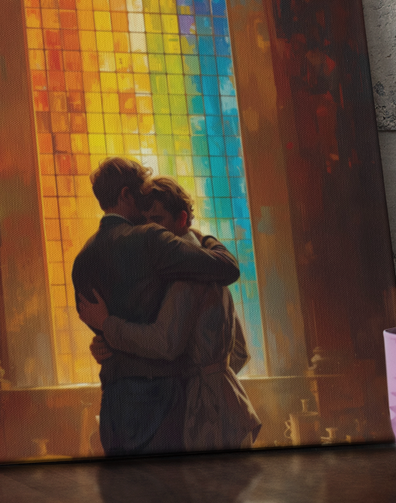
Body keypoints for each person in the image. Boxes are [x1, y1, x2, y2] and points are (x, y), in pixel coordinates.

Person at [77, 176, 262, 452]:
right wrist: (215, 376)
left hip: (206, 417)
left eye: (158, 219)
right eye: (146, 221)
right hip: (230, 408)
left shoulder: (186, 273)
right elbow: (240, 351)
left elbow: (164, 343)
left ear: (182, 218)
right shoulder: (201, 260)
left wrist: (107, 325)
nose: (151, 229)